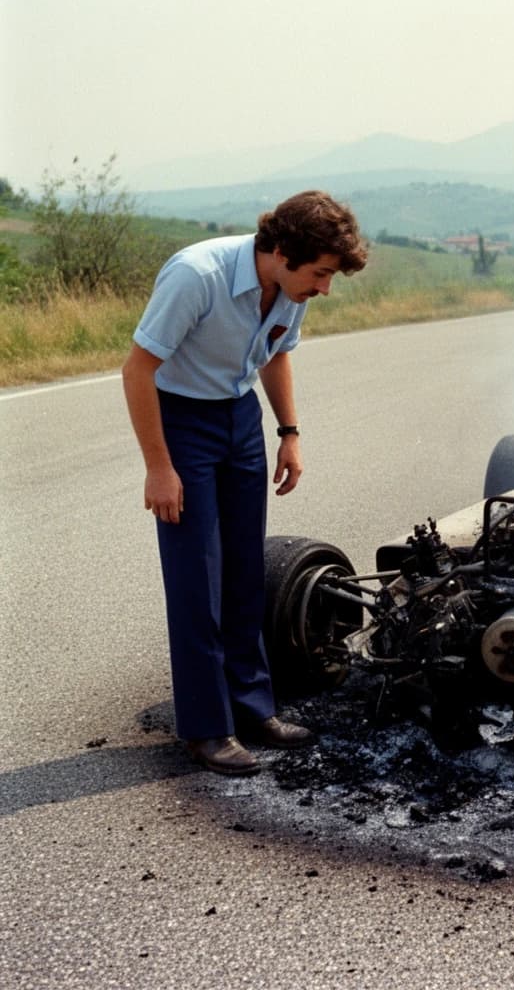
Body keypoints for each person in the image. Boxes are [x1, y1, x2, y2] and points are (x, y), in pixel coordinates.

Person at [122, 190, 368, 776]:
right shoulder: (196, 276)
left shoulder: (290, 286)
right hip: (182, 422)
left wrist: (289, 431)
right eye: (320, 274)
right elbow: (138, 369)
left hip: (239, 420)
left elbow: (275, 354)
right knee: (197, 579)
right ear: (281, 251)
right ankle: (207, 729)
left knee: (244, 572)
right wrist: (160, 466)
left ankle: (254, 708)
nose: (324, 289)